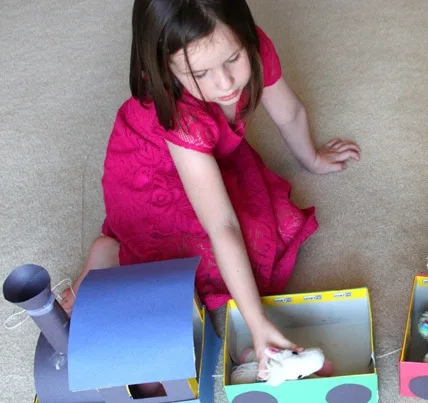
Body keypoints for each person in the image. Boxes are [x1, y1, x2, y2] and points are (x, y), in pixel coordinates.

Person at [61, 0, 360, 376]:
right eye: (200, 74)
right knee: (207, 270)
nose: (226, 83)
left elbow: (290, 112)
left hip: (210, 156)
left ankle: (118, 250)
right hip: (150, 175)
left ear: (244, 36)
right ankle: (111, 251)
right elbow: (223, 226)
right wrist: (257, 324)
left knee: (273, 223)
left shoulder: (251, 46)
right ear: (164, 69)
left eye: (233, 59)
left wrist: (312, 159)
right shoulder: (180, 112)